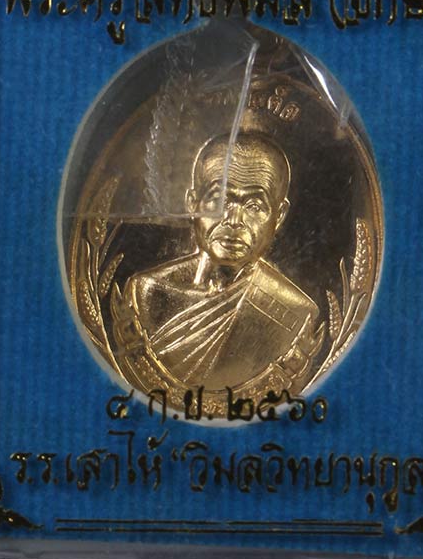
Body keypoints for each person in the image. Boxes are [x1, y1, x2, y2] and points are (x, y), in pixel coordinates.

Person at [113, 132, 321, 392]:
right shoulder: (146, 292)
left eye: (254, 206)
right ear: (193, 204)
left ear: (278, 216)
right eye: (220, 199)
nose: (233, 221)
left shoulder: (296, 315)